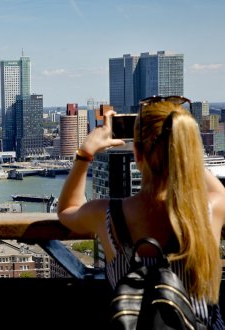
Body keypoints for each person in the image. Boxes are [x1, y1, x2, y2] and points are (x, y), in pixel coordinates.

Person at [57, 96, 225, 327]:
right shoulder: (211, 210)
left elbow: (67, 209)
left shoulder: (108, 215)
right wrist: (181, 144)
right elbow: (219, 191)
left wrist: (86, 152)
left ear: (137, 154)